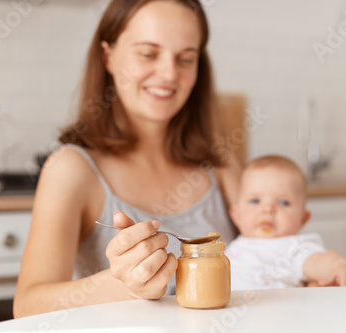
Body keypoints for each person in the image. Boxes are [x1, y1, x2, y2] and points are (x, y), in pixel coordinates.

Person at [13, 0, 241, 317]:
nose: (169, 73)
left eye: (186, 58)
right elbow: (27, 306)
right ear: (108, 56)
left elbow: (276, 252)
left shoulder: (220, 164)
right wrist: (125, 286)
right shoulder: (71, 169)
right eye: (148, 53)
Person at [226, 155, 346, 290]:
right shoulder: (233, 247)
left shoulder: (292, 248)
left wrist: (339, 266)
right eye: (255, 201)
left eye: (283, 202)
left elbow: (316, 261)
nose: (268, 209)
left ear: (303, 219)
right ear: (236, 214)